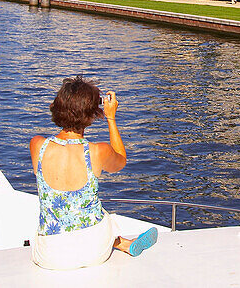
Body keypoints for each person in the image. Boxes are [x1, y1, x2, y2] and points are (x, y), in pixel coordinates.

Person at [30, 77, 158, 270]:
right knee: (99, 215)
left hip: (50, 255)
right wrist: (111, 117)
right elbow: (121, 161)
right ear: (92, 115)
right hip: (94, 250)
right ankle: (123, 243)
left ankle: (123, 242)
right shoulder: (97, 151)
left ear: (56, 107)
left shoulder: (37, 145)